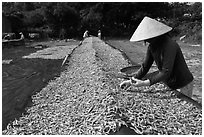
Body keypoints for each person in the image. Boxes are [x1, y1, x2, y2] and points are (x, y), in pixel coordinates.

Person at [119, 16, 194, 98]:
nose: (146, 41)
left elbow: (166, 71)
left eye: (148, 38)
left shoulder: (169, 45)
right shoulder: (152, 47)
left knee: (183, 103)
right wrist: (131, 81)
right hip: (171, 82)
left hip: (183, 83)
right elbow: (145, 66)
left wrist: (144, 83)